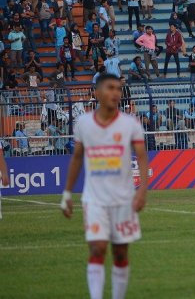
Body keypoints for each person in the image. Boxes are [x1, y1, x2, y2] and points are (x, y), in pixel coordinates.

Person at [60, 73, 149, 299]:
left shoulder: (130, 124)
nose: (116, 93)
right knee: (98, 248)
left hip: (124, 200)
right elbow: (77, 158)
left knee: (120, 253)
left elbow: (142, 157)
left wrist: (142, 191)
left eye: (118, 89)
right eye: (110, 88)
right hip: (95, 199)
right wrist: (67, 193)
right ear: (97, 93)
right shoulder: (83, 123)